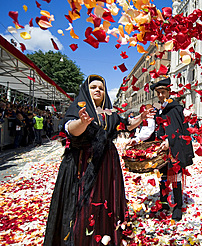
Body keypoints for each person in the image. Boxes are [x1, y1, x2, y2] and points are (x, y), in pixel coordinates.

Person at [44, 75, 154, 245]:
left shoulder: (109, 112)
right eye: (93, 87)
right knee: (86, 198)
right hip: (85, 162)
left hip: (107, 163)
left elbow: (127, 124)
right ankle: (83, 237)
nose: (98, 90)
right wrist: (82, 122)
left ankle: (105, 233)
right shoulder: (79, 108)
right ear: (86, 90)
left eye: (101, 88)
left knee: (105, 198)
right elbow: (71, 130)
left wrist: (142, 116)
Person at [150, 78, 194, 221]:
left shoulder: (175, 108)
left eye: (163, 92)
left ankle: (178, 207)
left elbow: (179, 130)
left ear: (169, 92)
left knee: (176, 178)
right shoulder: (160, 109)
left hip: (174, 149)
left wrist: (169, 141)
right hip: (162, 150)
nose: (161, 95)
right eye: (158, 93)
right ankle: (163, 204)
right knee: (162, 178)